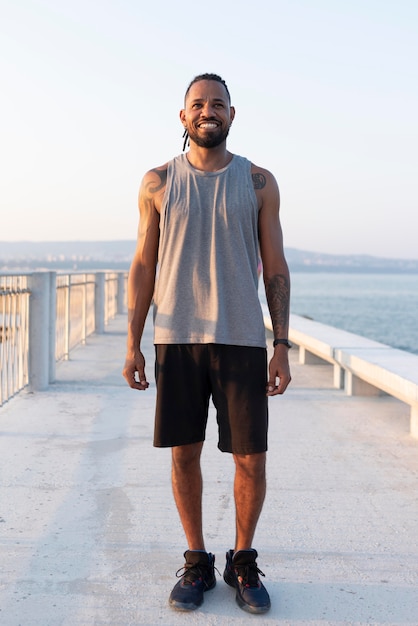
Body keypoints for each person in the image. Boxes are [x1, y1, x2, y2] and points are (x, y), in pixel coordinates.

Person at [122, 73, 291, 614]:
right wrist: (133, 342)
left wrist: (281, 344)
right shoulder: (157, 182)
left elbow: (276, 267)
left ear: (232, 115)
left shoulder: (260, 182)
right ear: (183, 117)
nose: (207, 111)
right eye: (197, 104)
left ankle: (242, 559)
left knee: (251, 460)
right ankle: (197, 562)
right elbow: (143, 265)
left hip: (242, 339)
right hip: (177, 338)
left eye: (217, 103)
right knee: (184, 453)